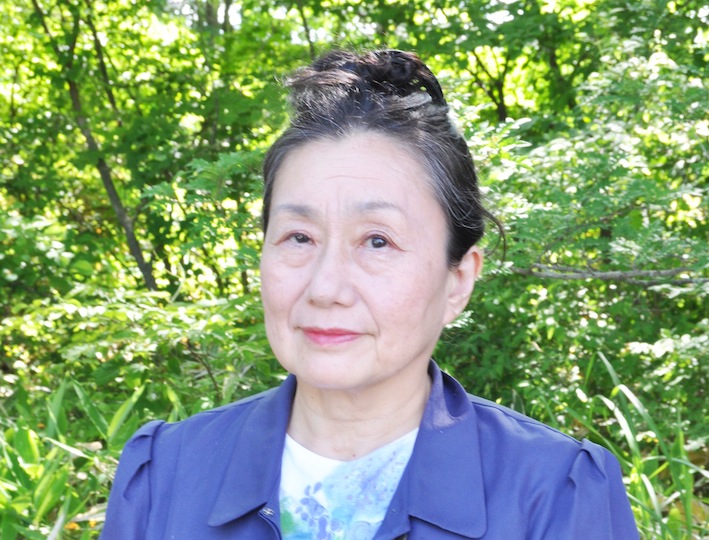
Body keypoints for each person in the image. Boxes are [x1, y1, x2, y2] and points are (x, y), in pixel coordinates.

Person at [101, 49, 639, 539]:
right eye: (299, 238)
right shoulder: (164, 475)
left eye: (377, 241)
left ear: (458, 280)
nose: (326, 288)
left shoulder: (556, 494)